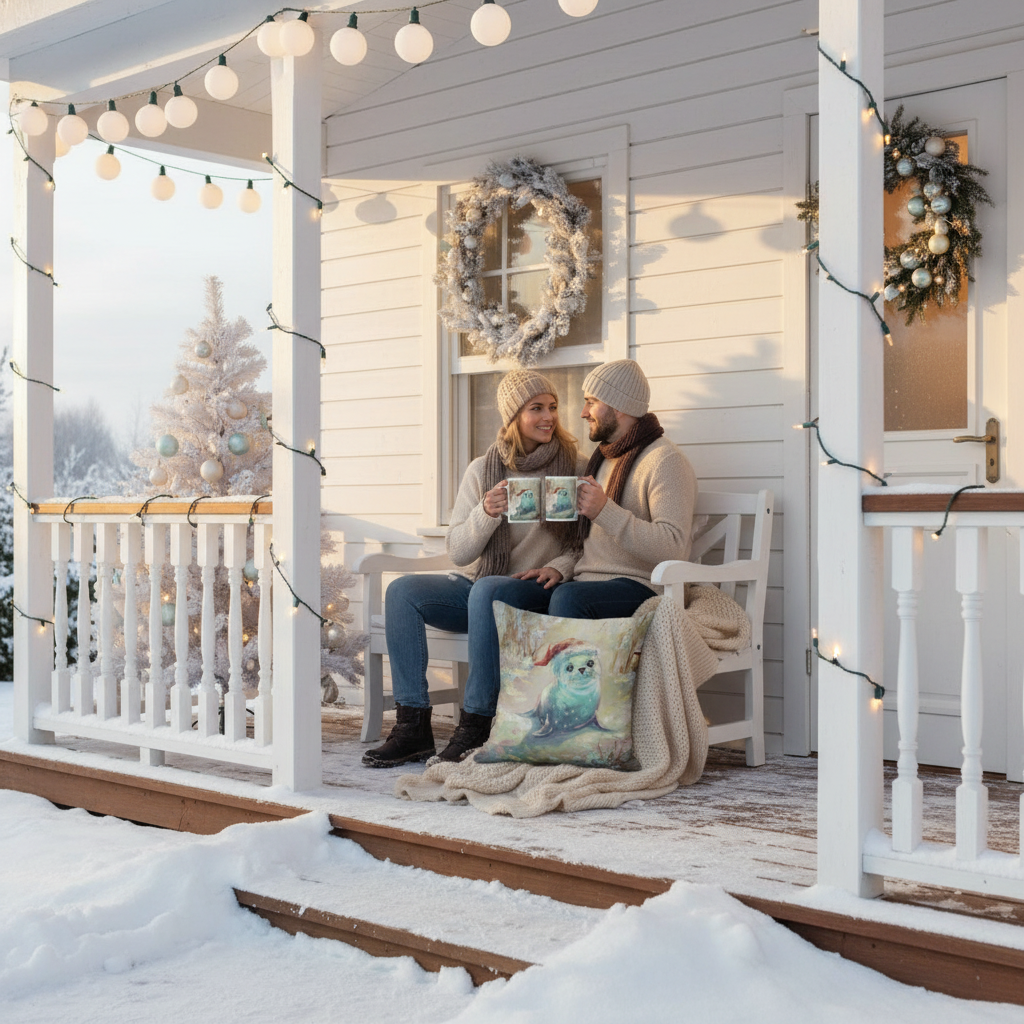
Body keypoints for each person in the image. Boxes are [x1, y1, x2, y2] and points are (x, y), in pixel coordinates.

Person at [363, 369, 586, 768]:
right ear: (513, 416)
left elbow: (585, 542)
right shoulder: (484, 470)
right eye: (536, 408)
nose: (548, 416)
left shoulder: (576, 467)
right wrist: (486, 513)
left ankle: (476, 724)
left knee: (486, 591)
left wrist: (561, 565)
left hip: (533, 589)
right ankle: (413, 726)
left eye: (552, 407)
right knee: (402, 592)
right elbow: (459, 550)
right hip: (480, 583)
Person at [543, 359, 698, 620]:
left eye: (591, 402)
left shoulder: (665, 460)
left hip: (644, 586)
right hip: (586, 581)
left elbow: (674, 547)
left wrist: (605, 511)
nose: (583, 412)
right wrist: (560, 567)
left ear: (619, 408)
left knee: (568, 598)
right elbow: (593, 547)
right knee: (503, 592)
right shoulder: (602, 458)